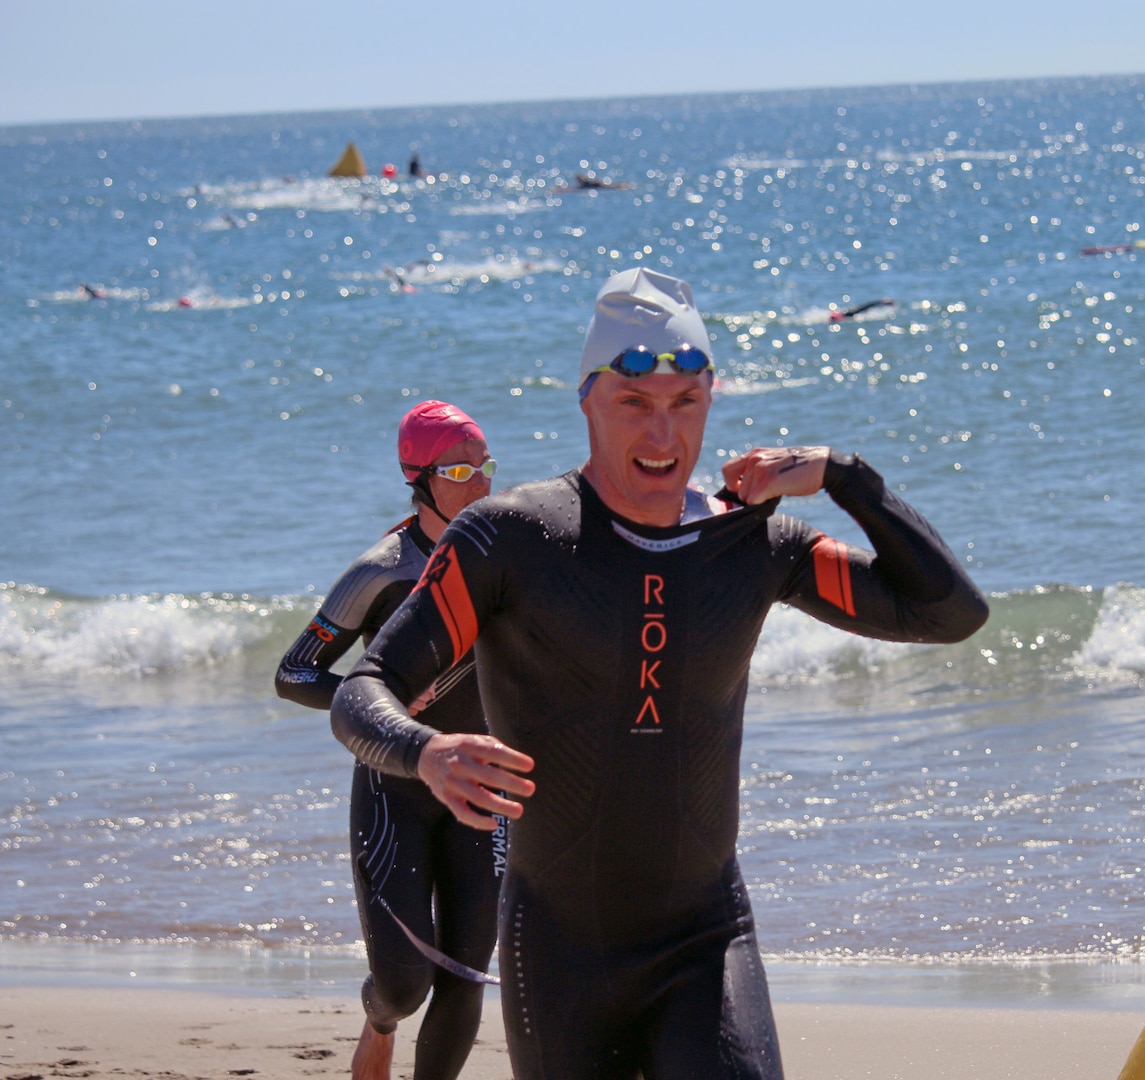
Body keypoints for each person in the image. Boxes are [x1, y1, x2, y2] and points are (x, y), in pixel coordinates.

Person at [329, 268, 989, 1079]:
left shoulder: (754, 546)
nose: (663, 434)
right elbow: (364, 690)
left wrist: (844, 475)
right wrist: (424, 752)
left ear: (713, 397)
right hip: (560, 950)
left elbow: (950, 613)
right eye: (634, 403)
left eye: (686, 402)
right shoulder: (510, 539)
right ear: (586, 402)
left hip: (705, 942)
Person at [276, 400, 502, 1080]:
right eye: (460, 469)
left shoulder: (506, 558)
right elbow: (295, 672)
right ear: (419, 478)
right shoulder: (382, 570)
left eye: (485, 466)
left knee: (464, 975)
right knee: (406, 985)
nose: (480, 483)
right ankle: (378, 1020)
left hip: (481, 785)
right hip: (393, 784)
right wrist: (382, 704)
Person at [829, 297, 896, 322]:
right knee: (867, 307)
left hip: (856, 312)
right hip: (855, 313)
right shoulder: (846, 316)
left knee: (867, 307)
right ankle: (884, 302)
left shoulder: (846, 315)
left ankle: (884, 302)